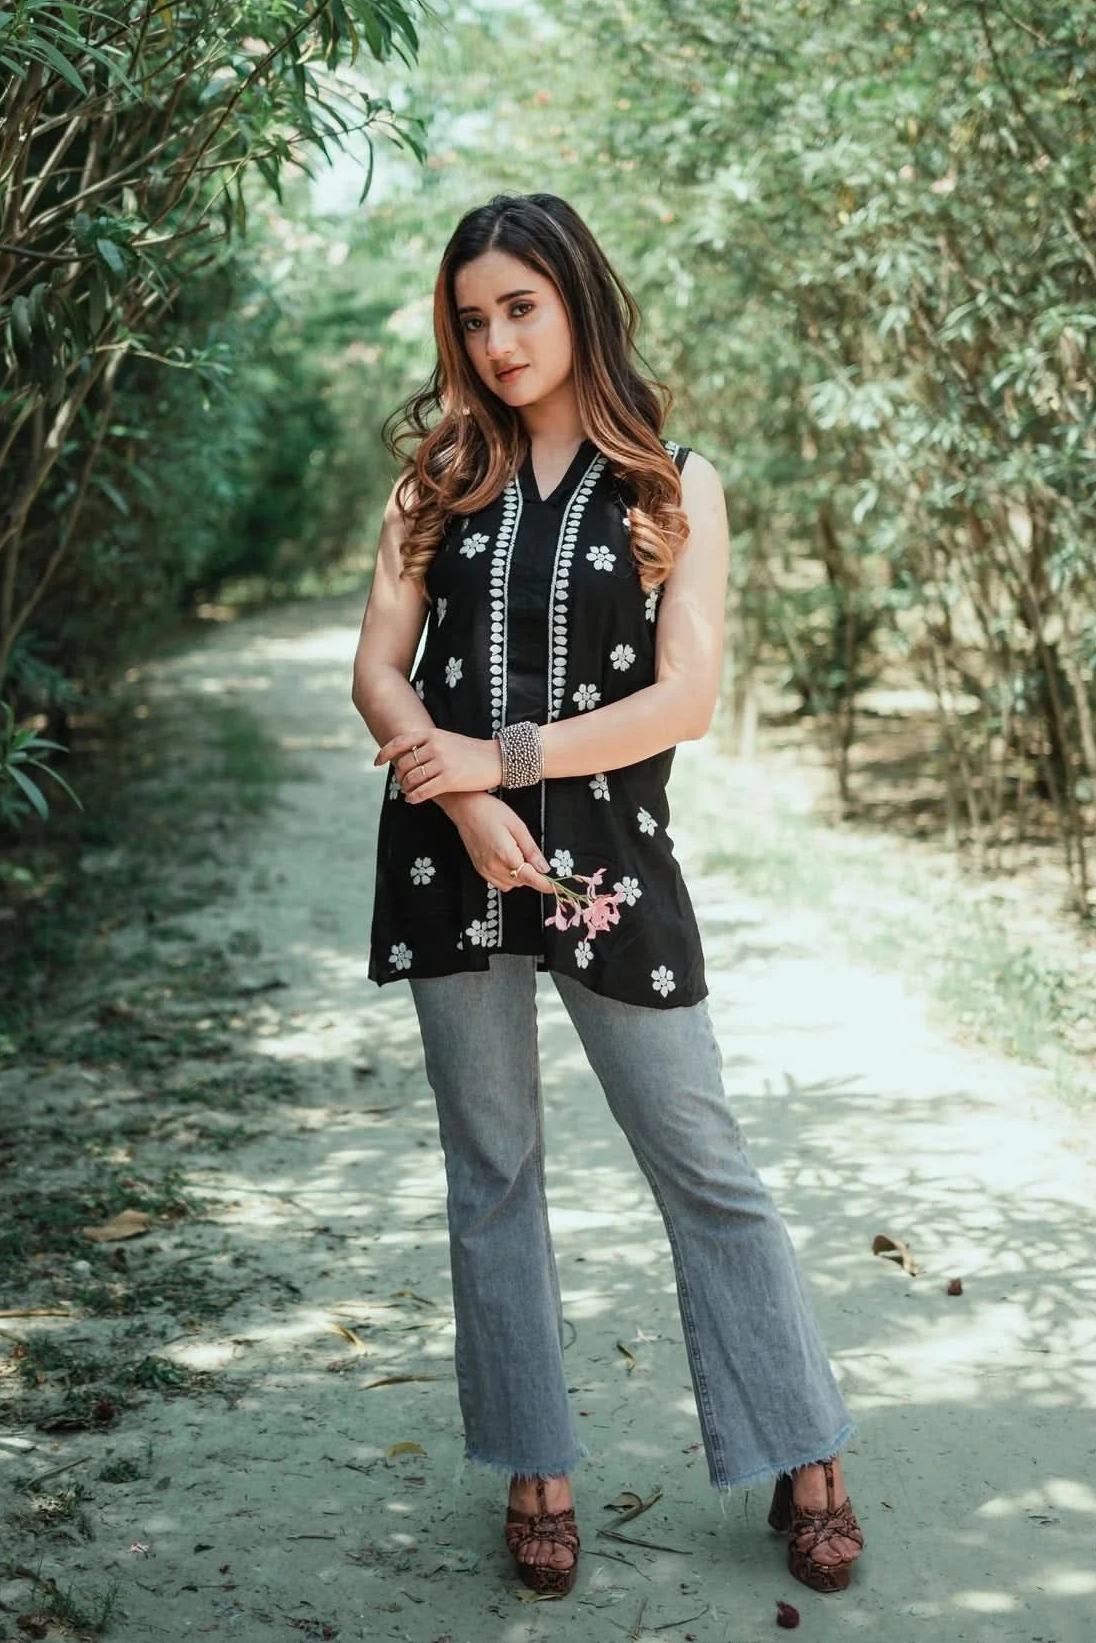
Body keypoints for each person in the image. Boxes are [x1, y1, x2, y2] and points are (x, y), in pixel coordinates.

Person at [351, 192, 865, 1598]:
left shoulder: (671, 484)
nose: (498, 337)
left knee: (701, 1153)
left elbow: (684, 698)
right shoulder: (435, 480)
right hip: (444, 858)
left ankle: (803, 1449)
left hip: (608, 859)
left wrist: (507, 759)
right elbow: (376, 670)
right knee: (494, 1168)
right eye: (472, 317)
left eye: (520, 304)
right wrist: (462, 800)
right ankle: (536, 1465)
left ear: (576, 298)